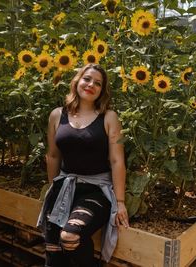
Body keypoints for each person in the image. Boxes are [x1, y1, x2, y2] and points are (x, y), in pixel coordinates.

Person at [37, 63, 129, 267]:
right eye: (87, 79)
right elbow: (53, 156)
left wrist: (120, 201)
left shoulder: (109, 117)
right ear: (77, 81)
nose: (91, 85)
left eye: (97, 83)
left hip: (96, 191)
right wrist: (54, 188)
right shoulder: (56, 115)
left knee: (70, 236)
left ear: (102, 91)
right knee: (53, 248)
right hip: (65, 186)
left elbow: (117, 160)